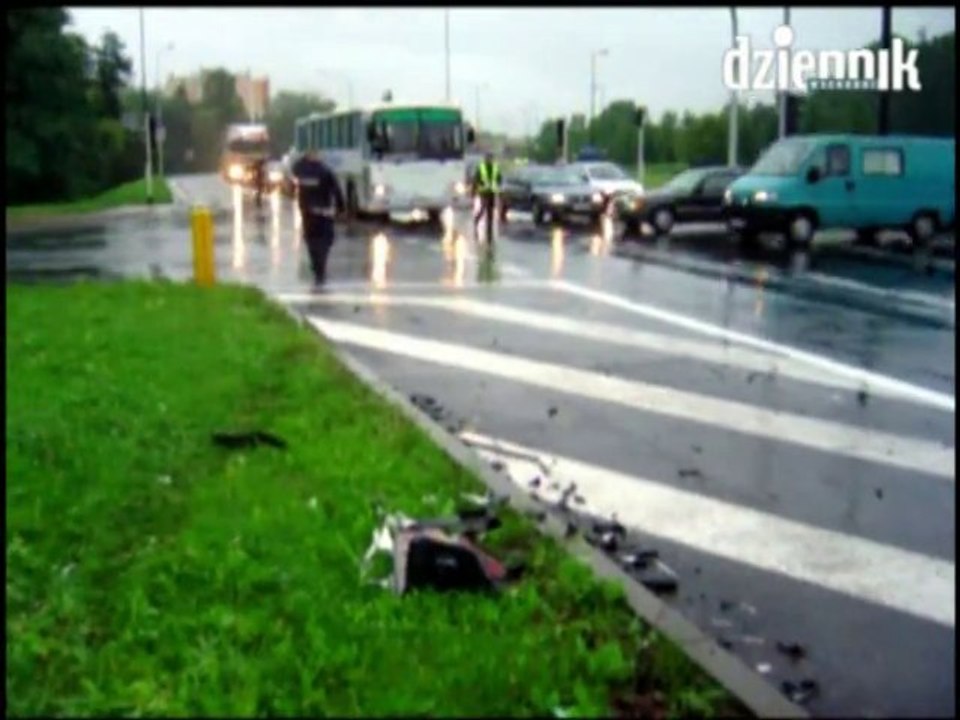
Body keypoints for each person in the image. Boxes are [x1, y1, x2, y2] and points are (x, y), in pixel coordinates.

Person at [292, 149, 345, 288]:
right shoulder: (325, 171)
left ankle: (317, 269)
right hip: (324, 213)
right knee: (325, 243)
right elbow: (336, 191)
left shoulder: (301, 172)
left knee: (312, 243)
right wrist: (341, 209)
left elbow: (294, 169)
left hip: (307, 214)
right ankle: (320, 270)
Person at [472, 152, 502, 243]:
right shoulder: (481, 168)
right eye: (488, 158)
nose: (489, 160)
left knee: (490, 212)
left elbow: (499, 179)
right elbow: (476, 179)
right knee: (482, 209)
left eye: (490, 158)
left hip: (492, 192)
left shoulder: (495, 168)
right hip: (483, 192)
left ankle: (489, 233)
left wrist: (498, 188)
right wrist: (475, 190)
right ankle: (476, 222)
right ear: (485, 159)